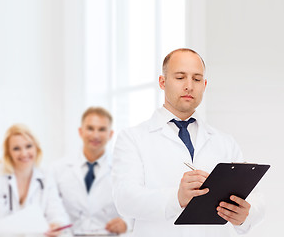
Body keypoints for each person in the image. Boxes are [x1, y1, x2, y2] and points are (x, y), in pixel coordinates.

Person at [112, 48, 265, 237]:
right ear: (162, 82)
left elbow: (256, 198)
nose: (189, 86)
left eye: (197, 79)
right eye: (180, 77)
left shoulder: (224, 141)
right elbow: (125, 200)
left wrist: (244, 215)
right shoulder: (132, 138)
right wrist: (177, 198)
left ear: (204, 85)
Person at [0, 124, 70, 237]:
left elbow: (57, 213)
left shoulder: (46, 176)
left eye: (28, 146)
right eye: (16, 148)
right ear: (8, 152)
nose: (24, 153)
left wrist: (56, 225)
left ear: (36, 147)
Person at [51, 107, 132, 235]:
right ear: (80, 131)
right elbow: (52, 206)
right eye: (90, 128)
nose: (95, 135)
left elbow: (135, 204)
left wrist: (126, 223)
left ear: (110, 134)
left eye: (102, 129)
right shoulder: (58, 169)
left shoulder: (124, 168)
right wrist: (56, 223)